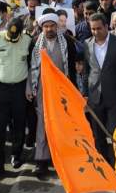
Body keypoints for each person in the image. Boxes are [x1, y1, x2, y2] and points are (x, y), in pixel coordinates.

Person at [26, 12, 81, 178]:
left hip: (62, 88)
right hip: (42, 88)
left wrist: (74, 90)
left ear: (57, 26)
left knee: (62, 123)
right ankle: (41, 160)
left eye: (52, 26)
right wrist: (29, 88)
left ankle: (60, 159)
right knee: (43, 122)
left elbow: (73, 67)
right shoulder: (35, 43)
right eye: (46, 26)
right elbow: (30, 67)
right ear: (42, 27)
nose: (49, 29)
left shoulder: (68, 43)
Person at [0, 16, 31, 180]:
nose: (13, 39)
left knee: (19, 123)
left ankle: (16, 155)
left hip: (20, 88)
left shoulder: (27, 39)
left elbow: (32, 64)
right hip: (0, 88)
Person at [85, 12, 116, 166]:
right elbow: (87, 71)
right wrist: (85, 94)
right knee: (97, 134)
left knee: (115, 132)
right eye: (93, 29)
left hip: (115, 96)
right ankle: (103, 163)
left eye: (99, 28)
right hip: (94, 97)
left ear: (107, 26)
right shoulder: (86, 44)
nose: (96, 32)